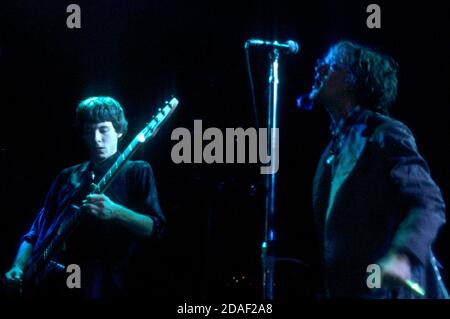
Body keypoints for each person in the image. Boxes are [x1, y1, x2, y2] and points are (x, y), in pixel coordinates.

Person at [309, 40, 448, 298]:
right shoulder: (331, 151)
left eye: (329, 65)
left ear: (352, 79)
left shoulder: (385, 133)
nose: (318, 71)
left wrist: (403, 258)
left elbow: (429, 201)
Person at [3, 96, 166, 298]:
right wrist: (18, 266)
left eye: (103, 129)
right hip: (50, 285)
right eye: (89, 131)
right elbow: (35, 232)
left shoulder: (137, 171)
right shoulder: (66, 177)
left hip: (103, 288)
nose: (96, 138)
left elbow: (155, 228)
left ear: (120, 130)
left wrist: (116, 211)